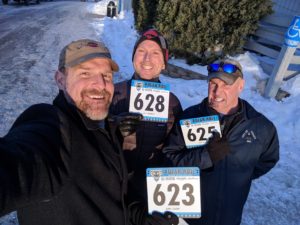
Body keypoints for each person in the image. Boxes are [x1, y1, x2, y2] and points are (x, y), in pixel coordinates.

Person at [0, 39, 178, 225]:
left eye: (106, 76)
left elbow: (114, 190)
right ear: (60, 80)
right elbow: (19, 163)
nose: (100, 84)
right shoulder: (53, 127)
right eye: (85, 73)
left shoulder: (105, 126)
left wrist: (140, 216)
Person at [163, 59, 279, 225]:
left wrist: (240, 175)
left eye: (226, 85)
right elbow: (169, 159)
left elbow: (267, 160)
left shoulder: (260, 126)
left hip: (229, 218)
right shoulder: (189, 118)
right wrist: (205, 156)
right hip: (188, 219)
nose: (217, 92)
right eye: (213, 83)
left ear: (241, 86)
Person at [110, 29, 183, 203]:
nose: (147, 58)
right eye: (141, 51)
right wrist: (113, 126)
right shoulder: (113, 93)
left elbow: (175, 150)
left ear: (164, 63)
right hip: (113, 186)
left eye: (155, 53)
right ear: (134, 58)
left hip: (149, 193)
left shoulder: (173, 104)